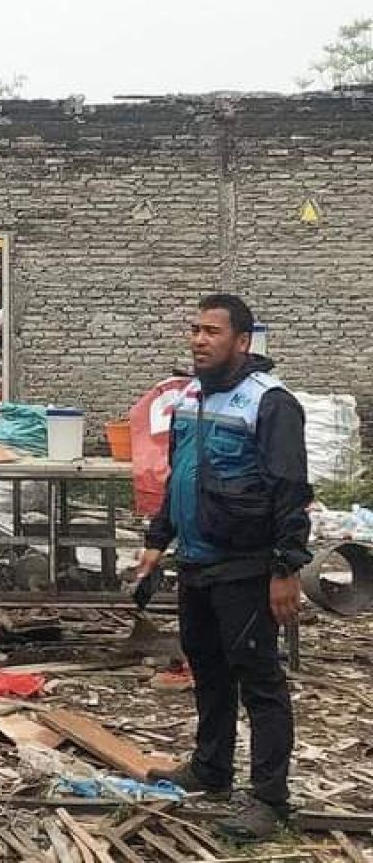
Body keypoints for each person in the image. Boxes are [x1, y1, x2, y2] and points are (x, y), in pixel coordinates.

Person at [136, 294, 311, 842]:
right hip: (197, 563)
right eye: (195, 329)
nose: (199, 340)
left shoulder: (271, 402)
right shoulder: (190, 398)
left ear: (242, 341)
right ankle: (211, 769)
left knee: (259, 683)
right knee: (208, 672)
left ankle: (269, 799)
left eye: (212, 331)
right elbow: (178, 475)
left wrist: (286, 568)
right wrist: (157, 540)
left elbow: (290, 490)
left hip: (246, 566)